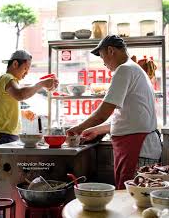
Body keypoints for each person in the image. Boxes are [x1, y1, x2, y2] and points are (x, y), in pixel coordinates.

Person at [66, 35, 162, 190]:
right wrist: (96, 130)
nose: (103, 63)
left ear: (111, 50)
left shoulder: (124, 69)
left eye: (102, 56)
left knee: (130, 199)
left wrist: (77, 129)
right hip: (139, 145)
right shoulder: (133, 69)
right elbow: (129, 116)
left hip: (137, 147)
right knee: (134, 198)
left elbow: (103, 113)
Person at [0, 49, 59, 195]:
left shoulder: (5, 81)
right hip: (4, 138)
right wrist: (40, 84)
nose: (26, 73)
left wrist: (22, 112)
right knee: (1, 187)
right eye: (26, 68)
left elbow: (7, 103)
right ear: (15, 64)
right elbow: (20, 95)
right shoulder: (7, 78)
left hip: (7, 137)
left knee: (2, 185)